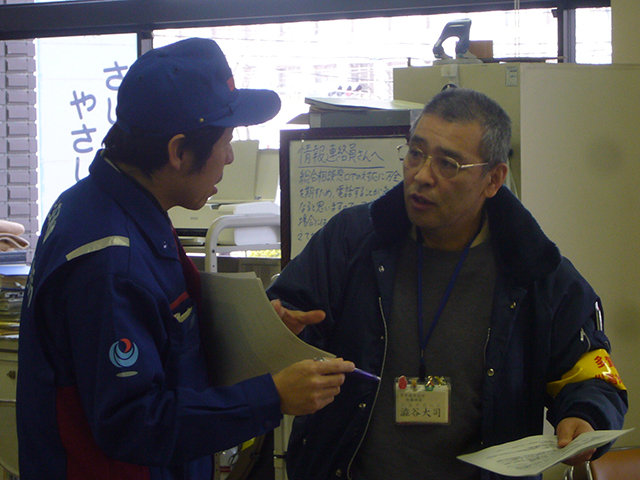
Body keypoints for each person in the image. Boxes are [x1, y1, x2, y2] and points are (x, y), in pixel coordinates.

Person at [16, 37, 354, 480]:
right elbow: (134, 422)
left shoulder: (100, 203)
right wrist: (271, 397)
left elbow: (160, 342)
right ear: (178, 151)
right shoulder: (111, 259)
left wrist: (249, 334)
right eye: (226, 140)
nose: (231, 157)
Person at [267, 87, 628, 480]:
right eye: (416, 153)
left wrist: (586, 415)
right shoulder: (352, 241)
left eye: (448, 164)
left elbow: (593, 372)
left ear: (493, 179)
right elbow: (284, 324)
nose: (422, 175)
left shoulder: (537, 273)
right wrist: (278, 334)